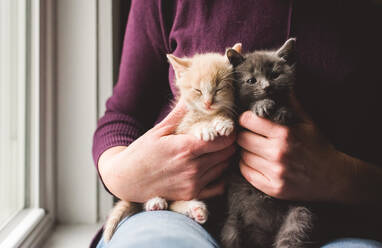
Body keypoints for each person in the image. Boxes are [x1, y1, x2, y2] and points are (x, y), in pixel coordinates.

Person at [91, 1, 382, 247]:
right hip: (182, 215)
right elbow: (122, 114)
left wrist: (343, 176)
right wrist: (123, 174)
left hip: (341, 222)